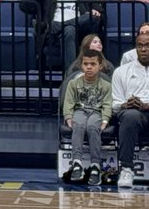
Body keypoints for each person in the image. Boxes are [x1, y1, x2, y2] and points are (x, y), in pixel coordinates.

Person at [62, 51, 111, 185]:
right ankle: (77, 163)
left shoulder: (106, 86)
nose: (89, 67)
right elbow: (68, 103)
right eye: (86, 64)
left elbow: (107, 104)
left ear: (100, 66)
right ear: (81, 65)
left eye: (93, 64)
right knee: (79, 125)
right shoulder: (73, 83)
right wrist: (68, 118)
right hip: (79, 111)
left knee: (92, 127)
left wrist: (105, 120)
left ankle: (95, 165)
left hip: (96, 112)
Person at [110, 32, 149, 188]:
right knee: (130, 116)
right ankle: (126, 168)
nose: (144, 49)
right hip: (134, 113)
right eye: (140, 46)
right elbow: (114, 104)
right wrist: (125, 105)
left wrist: (146, 105)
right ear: (136, 48)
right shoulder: (121, 72)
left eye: (147, 45)